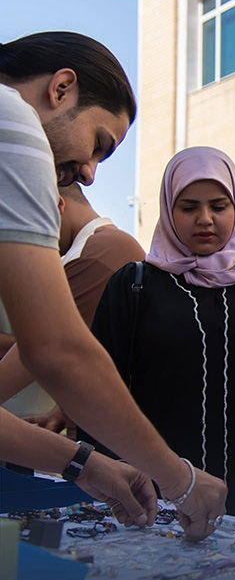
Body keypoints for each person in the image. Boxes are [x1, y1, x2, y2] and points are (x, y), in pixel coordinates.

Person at [0, 31, 225, 539]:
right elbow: (57, 350)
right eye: (98, 144)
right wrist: (181, 480)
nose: (88, 173)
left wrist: (84, 463)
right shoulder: (12, 117)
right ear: (61, 88)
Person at [86, 146, 235, 528]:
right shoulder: (134, 285)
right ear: (168, 208)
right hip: (157, 495)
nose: (205, 219)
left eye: (219, 206)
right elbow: (97, 386)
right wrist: (107, 475)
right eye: (189, 207)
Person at [7, 183, 145, 430]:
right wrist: (60, 411)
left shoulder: (97, 251)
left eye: (27, 219)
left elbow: (45, 342)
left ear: (57, 205)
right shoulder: (101, 246)